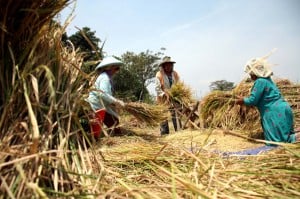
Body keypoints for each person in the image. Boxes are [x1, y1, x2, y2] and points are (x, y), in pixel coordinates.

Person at [235, 55, 298, 144]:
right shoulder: (268, 81)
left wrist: (241, 101)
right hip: (284, 109)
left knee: (276, 143)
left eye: (251, 73)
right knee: (287, 138)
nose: (250, 75)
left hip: (274, 112)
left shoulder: (260, 81)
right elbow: (262, 99)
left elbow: (253, 100)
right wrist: (244, 99)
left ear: (255, 72)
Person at [86, 56, 125, 139]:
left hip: (100, 104)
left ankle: (115, 136)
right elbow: (102, 94)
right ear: (109, 68)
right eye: (116, 68)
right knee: (113, 122)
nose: (116, 71)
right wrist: (116, 101)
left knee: (113, 120)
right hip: (96, 105)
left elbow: (105, 95)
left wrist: (114, 104)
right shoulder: (105, 78)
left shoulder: (105, 76)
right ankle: (117, 138)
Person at [155, 56, 181, 135]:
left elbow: (178, 85)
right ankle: (164, 133)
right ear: (163, 66)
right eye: (167, 65)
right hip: (163, 99)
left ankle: (179, 131)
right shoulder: (159, 74)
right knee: (164, 116)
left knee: (175, 114)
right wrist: (164, 94)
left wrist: (176, 93)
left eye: (170, 65)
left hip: (174, 98)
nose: (169, 66)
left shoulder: (175, 73)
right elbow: (157, 88)